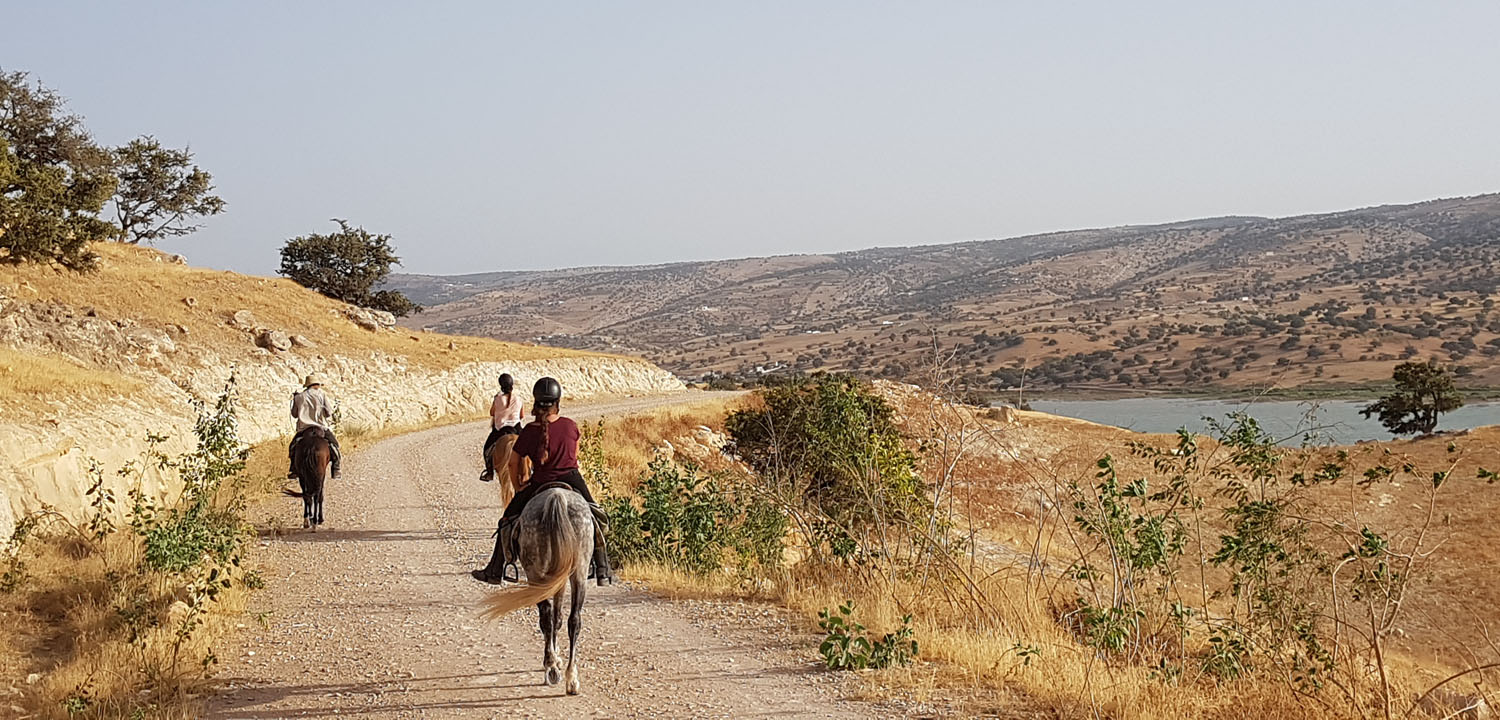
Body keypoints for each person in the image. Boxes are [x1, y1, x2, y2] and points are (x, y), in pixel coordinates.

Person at [472, 376, 613, 586]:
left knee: (507, 521)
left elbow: (513, 463)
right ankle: (602, 568)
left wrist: (519, 486)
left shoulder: (530, 431)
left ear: (536, 402)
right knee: (597, 514)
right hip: (571, 478)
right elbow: (574, 455)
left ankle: (495, 570)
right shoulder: (570, 425)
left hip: (540, 481)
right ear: (558, 402)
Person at [287, 374, 341, 480]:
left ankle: (293, 468)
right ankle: (336, 468)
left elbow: (294, 414)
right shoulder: (322, 395)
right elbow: (329, 413)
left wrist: (295, 400)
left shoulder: (299, 397)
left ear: (307, 385)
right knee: (335, 445)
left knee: (292, 447)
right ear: (317, 385)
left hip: (304, 428)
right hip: (321, 428)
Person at [480, 373, 523, 483]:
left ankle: (489, 473)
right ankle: (532, 469)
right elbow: (522, 415)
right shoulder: (518, 399)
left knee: (487, 450)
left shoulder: (497, 398)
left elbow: (491, 413)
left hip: (501, 429)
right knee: (531, 446)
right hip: (516, 429)